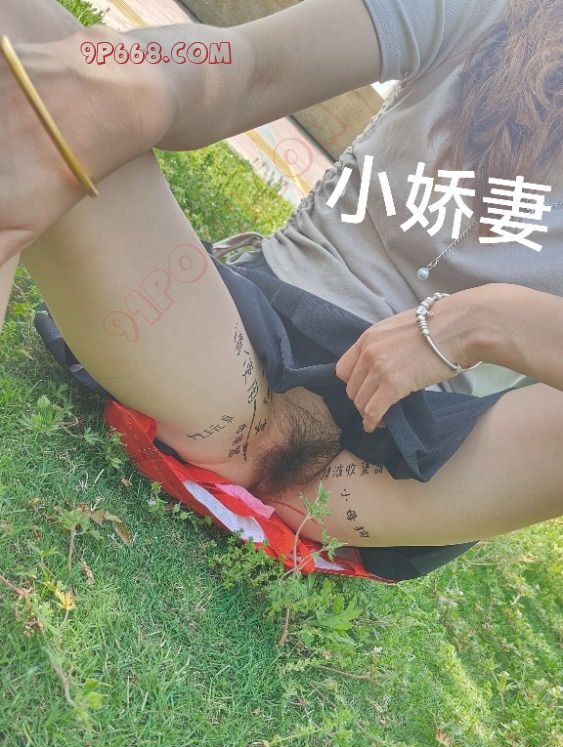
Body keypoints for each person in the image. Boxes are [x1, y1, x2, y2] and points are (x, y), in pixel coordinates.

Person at [0, 0, 561, 586]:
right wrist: (137, 83)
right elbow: (252, 65)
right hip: (231, 359)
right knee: (25, 33)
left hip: (395, 478)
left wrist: (483, 321)